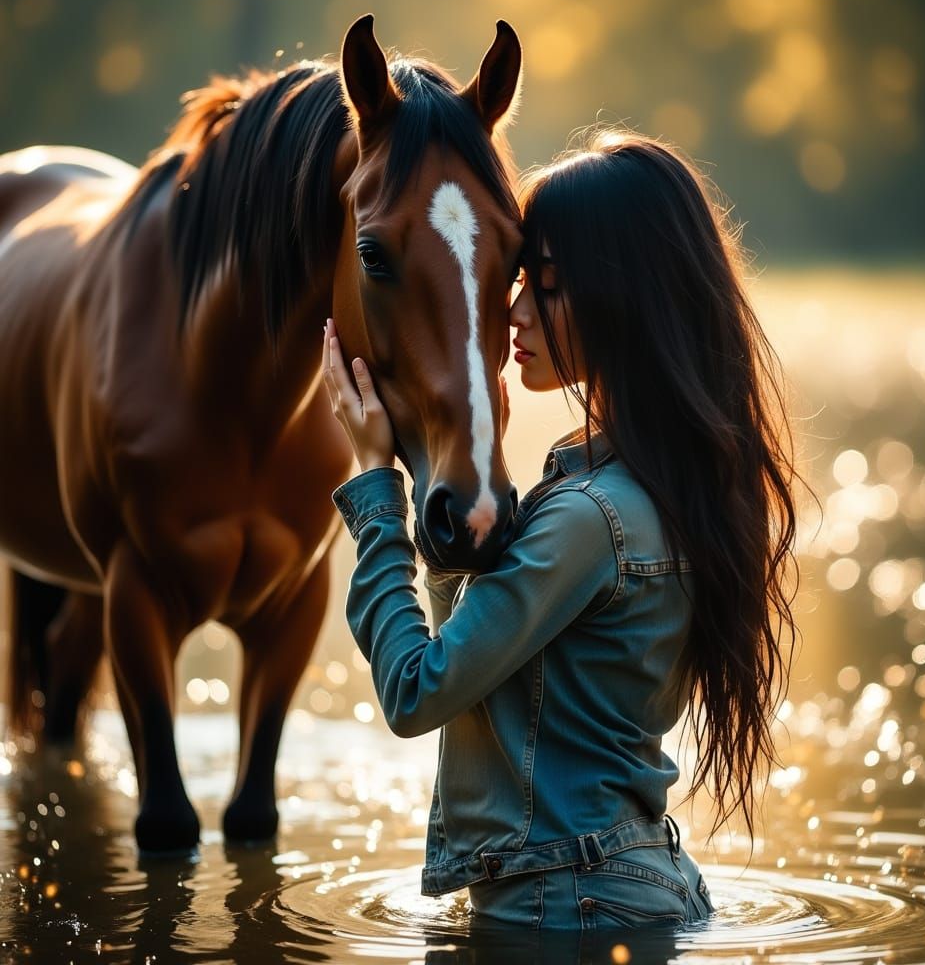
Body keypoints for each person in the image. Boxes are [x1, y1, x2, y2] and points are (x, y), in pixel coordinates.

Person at [320, 129, 798, 931]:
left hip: (566, 904)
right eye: (517, 278)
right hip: (633, 884)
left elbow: (416, 691)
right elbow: (491, 671)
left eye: (545, 285)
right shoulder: (656, 490)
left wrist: (375, 488)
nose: (511, 312)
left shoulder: (588, 519)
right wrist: (460, 502)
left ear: (624, 298)